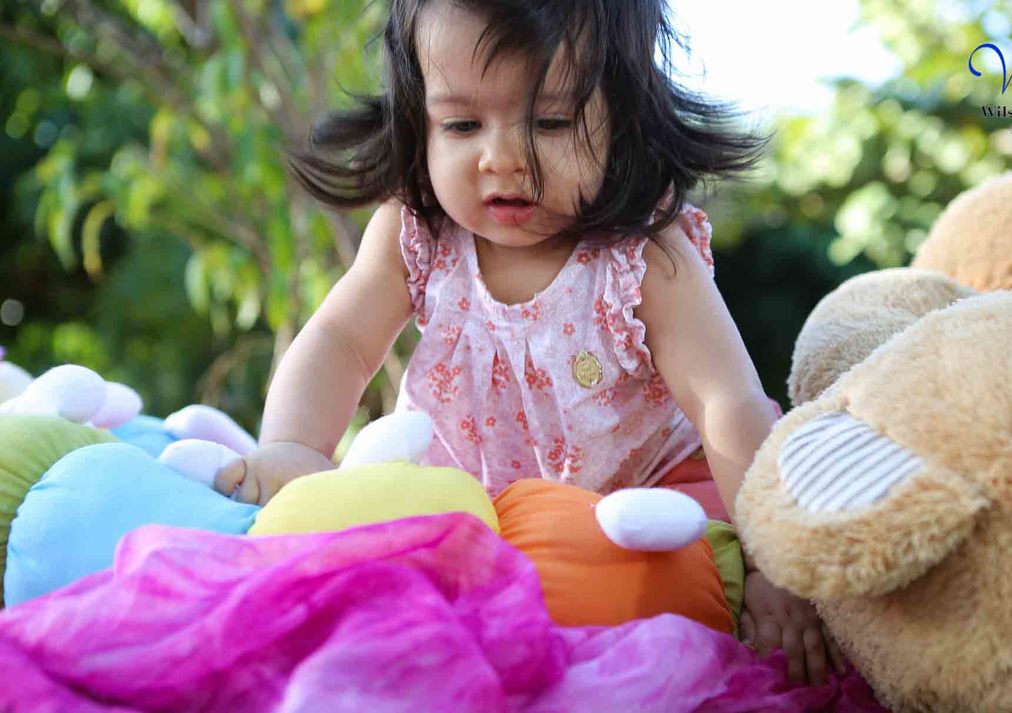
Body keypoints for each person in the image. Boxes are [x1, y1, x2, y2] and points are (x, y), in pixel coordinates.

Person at [215, 0, 844, 686]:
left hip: (639, 504)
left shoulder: (645, 256)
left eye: (551, 122)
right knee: (387, 581)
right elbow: (340, 340)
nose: (503, 158)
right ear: (419, 121)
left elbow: (726, 402)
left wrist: (771, 562)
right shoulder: (417, 232)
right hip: (468, 508)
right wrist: (296, 445)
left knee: (673, 577)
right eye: (462, 124)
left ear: (625, 119)